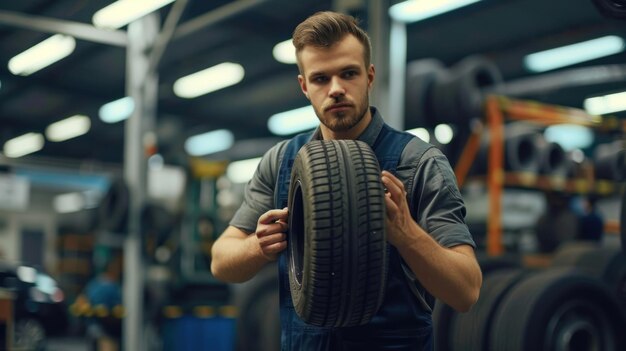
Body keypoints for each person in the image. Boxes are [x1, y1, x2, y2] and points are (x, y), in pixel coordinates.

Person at [211, 11, 482, 350]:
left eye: (348, 73)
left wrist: (406, 234)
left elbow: (466, 291)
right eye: (321, 78)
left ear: (369, 77)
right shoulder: (281, 161)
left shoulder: (418, 162)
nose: (336, 89)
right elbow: (222, 262)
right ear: (304, 86)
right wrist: (258, 246)